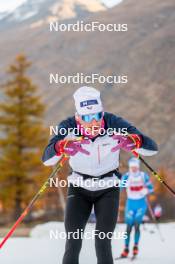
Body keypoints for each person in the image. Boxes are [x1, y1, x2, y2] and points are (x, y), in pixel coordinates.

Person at [42, 86, 158, 264]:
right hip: (79, 187)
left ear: (102, 113)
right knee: (73, 240)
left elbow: (151, 148)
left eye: (97, 116)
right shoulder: (67, 127)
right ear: (78, 117)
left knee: (102, 241)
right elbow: (47, 159)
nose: (93, 123)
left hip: (108, 188)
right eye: (87, 118)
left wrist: (135, 141)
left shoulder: (115, 123)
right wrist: (61, 146)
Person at [120, 157, 154, 258]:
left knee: (137, 225)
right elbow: (120, 188)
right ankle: (126, 248)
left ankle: (135, 246)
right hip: (130, 204)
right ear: (130, 167)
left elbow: (151, 188)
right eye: (132, 167)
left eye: (135, 167)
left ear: (138, 167)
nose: (134, 169)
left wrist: (146, 190)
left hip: (141, 204)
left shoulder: (143, 176)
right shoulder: (126, 176)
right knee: (128, 227)